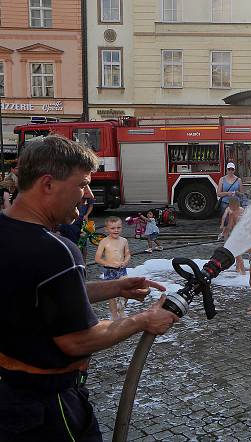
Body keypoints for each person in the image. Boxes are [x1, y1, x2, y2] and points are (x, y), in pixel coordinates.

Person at [0, 136, 177, 441]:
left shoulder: (7, 231)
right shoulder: (55, 250)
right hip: (48, 407)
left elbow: (44, 296)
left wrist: (116, 288)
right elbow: (78, 341)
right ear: (48, 184)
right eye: (82, 184)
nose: (88, 195)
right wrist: (143, 320)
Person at [95, 216, 131, 320]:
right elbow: (97, 258)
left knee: (127, 289)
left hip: (121, 269)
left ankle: (121, 307)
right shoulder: (104, 242)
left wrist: (125, 261)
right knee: (111, 295)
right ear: (106, 229)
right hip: (109, 270)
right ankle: (114, 314)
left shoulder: (124, 241)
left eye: (118, 227)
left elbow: (128, 254)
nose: (116, 230)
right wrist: (109, 264)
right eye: (113, 228)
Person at [221, 196, 246, 274]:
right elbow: (229, 224)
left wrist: (225, 231)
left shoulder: (237, 212)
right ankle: (239, 269)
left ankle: (241, 270)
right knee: (238, 252)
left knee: (237, 252)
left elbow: (230, 225)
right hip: (240, 233)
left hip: (239, 234)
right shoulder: (238, 211)